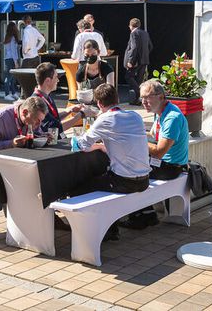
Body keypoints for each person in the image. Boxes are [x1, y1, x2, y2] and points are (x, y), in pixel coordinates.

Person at [74, 83, 151, 240]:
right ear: (117, 99)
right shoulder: (135, 116)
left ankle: (100, 232)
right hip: (145, 180)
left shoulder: (104, 119)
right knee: (102, 177)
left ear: (99, 104)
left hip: (125, 182)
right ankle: (111, 227)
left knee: (78, 190)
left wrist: (93, 142)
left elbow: (81, 144)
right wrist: (102, 146)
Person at [121, 79, 190, 230]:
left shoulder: (172, 117)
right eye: (141, 98)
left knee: (129, 173)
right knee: (128, 165)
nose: (143, 102)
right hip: (163, 163)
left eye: (147, 97)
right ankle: (147, 213)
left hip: (171, 167)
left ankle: (140, 216)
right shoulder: (160, 112)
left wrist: (134, 139)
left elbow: (159, 152)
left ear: (160, 96)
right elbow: (152, 136)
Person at [0, 96, 48, 169]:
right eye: (37, 120)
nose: (39, 124)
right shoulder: (0, 117)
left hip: (15, 157)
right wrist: (11, 143)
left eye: (41, 121)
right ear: (25, 112)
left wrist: (44, 137)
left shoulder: (31, 119)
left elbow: (37, 134)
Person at [33, 62, 83, 136]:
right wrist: (81, 115)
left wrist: (69, 110)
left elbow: (53, 119)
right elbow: (54, 128)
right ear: (48, 80)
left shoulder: (46, 96)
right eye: (56, 77)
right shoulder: (37, 102)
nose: (58, 80)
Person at [124, 18, 153, 105]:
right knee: (138, 80)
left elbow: (134, 47)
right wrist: (145, 54)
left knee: (128, 77)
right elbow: (150, 46)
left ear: (131, 25)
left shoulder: (134, 33)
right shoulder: (145, 33)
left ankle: (141, 93)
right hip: (144, 60)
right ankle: (136, 100)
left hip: (135, 61)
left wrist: (130, 60)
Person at [2, 21, 20, 101]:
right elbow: (13, 51)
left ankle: (13, 93)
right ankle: (7, 94)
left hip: (8, 59)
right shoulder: (12, 38)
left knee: (11, 78)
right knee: (9, 78)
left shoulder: (7, 37)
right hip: (11, 59)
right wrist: (16, 62)